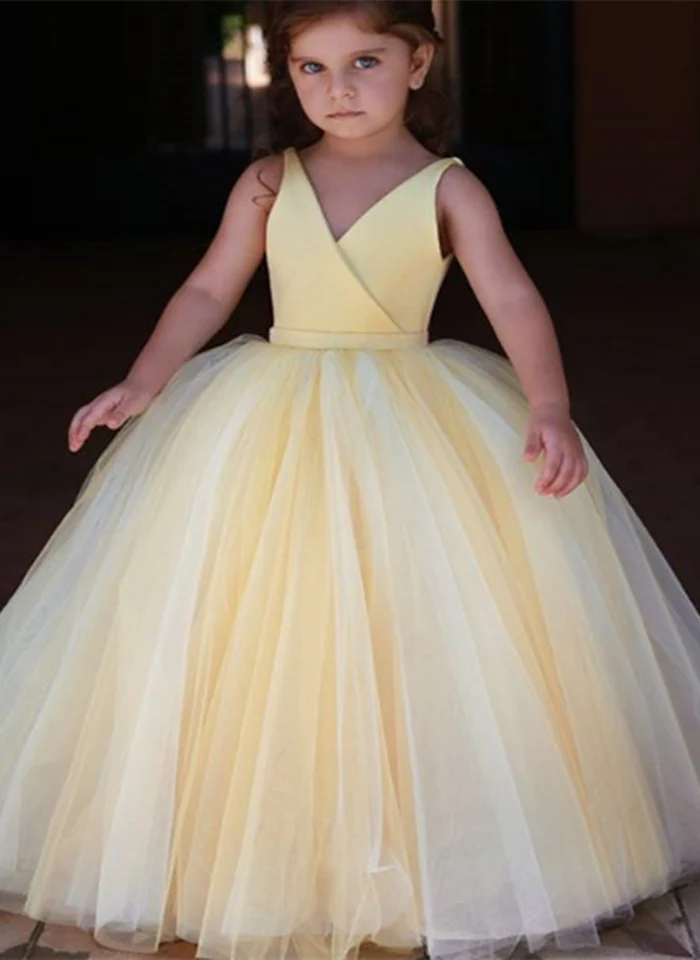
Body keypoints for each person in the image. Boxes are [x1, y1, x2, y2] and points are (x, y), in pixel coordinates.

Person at [1, 2, 700, 960]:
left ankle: (428, 839)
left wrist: (548, 406)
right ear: (288, 77)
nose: (338, 89)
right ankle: (255, 842)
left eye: (365, 61)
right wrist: (143, 379)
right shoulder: (268, 181)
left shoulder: (450, 188)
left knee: (414, 617)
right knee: (267, 618)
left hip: (411, 414)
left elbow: (511, 295)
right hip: (270, 416)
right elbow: (208, 287)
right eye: (312, 68)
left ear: (419, 63)